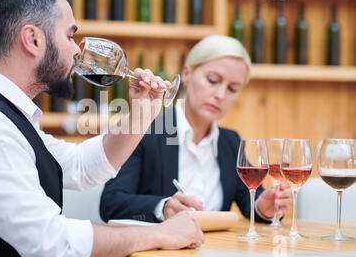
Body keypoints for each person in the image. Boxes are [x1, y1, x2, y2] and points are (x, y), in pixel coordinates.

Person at [0, 0, 204, 257]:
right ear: (33, 39)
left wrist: (142, 112)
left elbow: (82, 166)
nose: (77, 50)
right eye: (69, 36)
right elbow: (56, 247)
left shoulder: (0, 115)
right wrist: (158, 234)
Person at [100, 35, 292, 224]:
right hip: (162, 251)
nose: (220, 95)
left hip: (215, 251)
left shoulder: (230, 142)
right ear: (186, 74)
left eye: (232, 89)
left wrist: (264, 207)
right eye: (212, 80)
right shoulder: (148, 131)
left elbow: (251, 201)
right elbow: (110, 203)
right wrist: (163, 207)